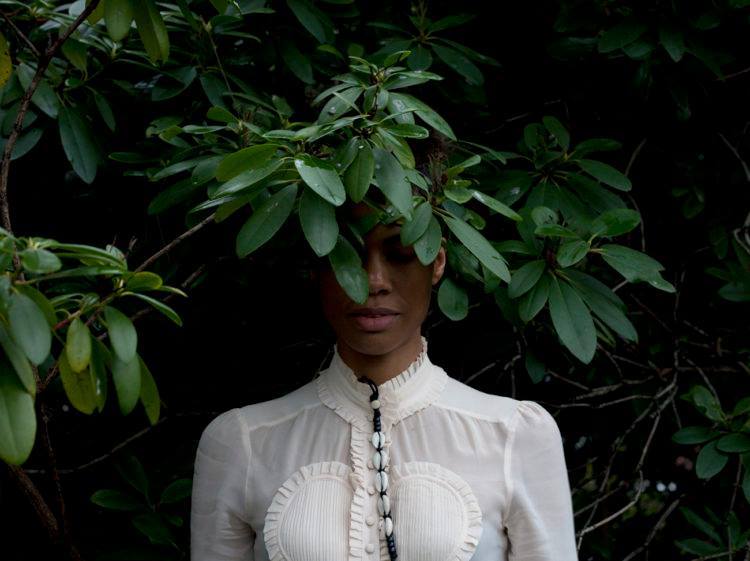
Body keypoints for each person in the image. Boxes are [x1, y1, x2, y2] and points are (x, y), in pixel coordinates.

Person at [190, 198, 579, 561]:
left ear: (437, 261)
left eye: (401, 253)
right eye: (348, 253)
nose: (374, 281)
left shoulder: (513, 435)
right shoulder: (243, 443)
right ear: (317, 262)